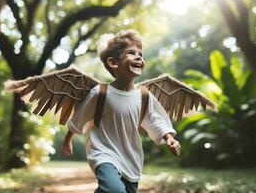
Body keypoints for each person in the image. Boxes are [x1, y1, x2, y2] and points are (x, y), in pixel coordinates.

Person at [61, 29, 181, 193]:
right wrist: (67, 140)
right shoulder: (100, 93)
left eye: (140, 54)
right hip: (103, 153)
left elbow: (155, 120)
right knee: (114, 190)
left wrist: (169, 138)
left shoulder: (143, 95)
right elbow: (78, 119)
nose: (139, 57)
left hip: (130, 158)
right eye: (131, 53)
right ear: (113, 62)